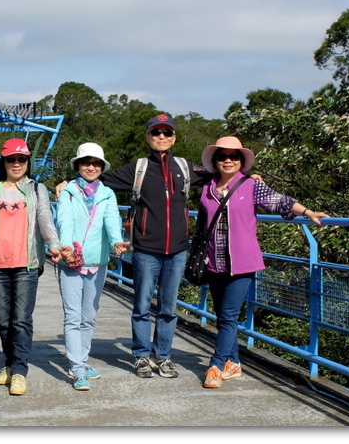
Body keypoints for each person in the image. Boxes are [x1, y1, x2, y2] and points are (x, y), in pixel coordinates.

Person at [55, 114, 256, 379]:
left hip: (178, 250)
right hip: (146, 249)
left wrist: (251, 176)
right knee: (141, 306)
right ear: (148, 136)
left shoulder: (185, 168)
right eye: (156, 132)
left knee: (167, 308)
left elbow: (221, 174)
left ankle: (163, 356)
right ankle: (140, 356)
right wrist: (67, 183)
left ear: (174, 137)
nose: (162, 137)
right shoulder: (137, 169)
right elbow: (97, 177)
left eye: (167, 133)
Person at [196, 136, 328, 389]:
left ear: (241, 161)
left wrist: (308, 212)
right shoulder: (206, 186)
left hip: (242, 263)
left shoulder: (250, 186)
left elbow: (281, 201)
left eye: (234, 156)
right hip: (213, 262)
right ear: (215, 160)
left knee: (228, 316)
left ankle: (215, 365)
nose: (228, 160)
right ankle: (233, 364)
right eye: (222, 156)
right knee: (224, 316)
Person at [0, 138, 67, 396]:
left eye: (21, 159)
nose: (17, 164)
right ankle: (9, 364)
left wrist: (53, 243)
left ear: (27, 161)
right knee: (4, 321)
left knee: (21, 320)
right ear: (4, 161)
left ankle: (20, 370)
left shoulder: (36, 189)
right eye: (12, 159)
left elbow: (44, 217)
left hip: (27, 263)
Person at [55, 143, 130, 391]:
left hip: (97, 262)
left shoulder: (107, 194)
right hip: (72, 262)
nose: (90, 167)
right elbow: (63, 220)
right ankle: (77, 369)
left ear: (101, 167)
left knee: (89, 317)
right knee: (73, 317)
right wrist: (65, 246)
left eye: (96, 163)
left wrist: (118, 241)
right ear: (78, 165)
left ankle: (82, 361)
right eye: (86, 162)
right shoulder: (67, 192)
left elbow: (112, 220)